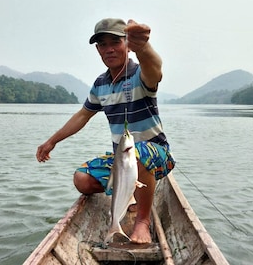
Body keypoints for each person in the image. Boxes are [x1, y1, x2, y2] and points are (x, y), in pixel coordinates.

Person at [36, 18, 175, 244]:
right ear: (98, 50)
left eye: (115, 42)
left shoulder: (141, 74)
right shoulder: (100, 84)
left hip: (157, 155)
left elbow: (155, 70)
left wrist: (144, 48)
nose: (109, 49)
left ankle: (142, 221)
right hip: (122, 158)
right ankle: (127, 195)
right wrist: (52, 141)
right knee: (82, 180)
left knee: (138, 152)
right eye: (102, 44)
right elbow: (83, 115)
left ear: (128, 44)